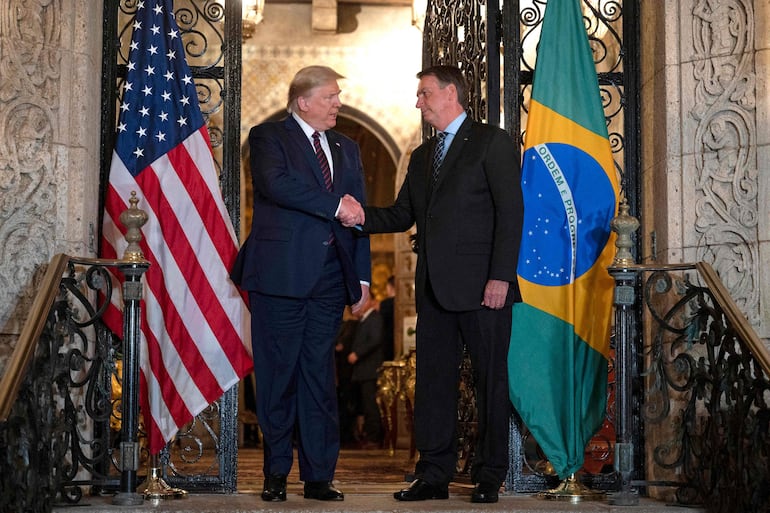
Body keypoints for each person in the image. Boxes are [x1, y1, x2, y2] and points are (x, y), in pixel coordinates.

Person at [348, 65, 523, 503]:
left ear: (450, 94)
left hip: (486, 289)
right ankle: (433, 475)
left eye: (424, 94)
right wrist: (356, 214)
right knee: (433, 384)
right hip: (433, 290)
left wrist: (500, 276)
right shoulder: (423, 157)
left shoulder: (491, 142)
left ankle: (489, 475)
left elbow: (511, 214)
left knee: (490, 382)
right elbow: (400, 214)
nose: (418, 102)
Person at [230, 65, 369, 503]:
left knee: (320, 380)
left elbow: (358, 215)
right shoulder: (269, 137)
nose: (338, 104)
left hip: (330, 279)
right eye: (330, 96)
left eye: (338, 96)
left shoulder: (348, 147)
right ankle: (274, 474)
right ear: (303, 101)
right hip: (279, 276)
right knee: (278, 378)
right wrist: (336, 205)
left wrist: (362, 276)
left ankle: (318, 476)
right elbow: (278, 185)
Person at [347, 292, 385, 448]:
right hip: (363, 371)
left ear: (369, 301)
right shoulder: (364, 320)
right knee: (365, 405)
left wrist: (357, 353)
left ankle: (374, 438)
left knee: (371, 406)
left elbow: (375, 339)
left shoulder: (374, 318)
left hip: (370, 369)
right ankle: (369, 435)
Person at [378, 275, 396, 361]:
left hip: (388, 341)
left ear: (389, 287)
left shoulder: (385, 304)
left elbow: (381, 324)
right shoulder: (401, 302)